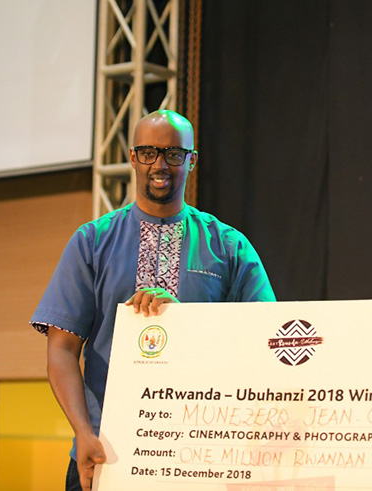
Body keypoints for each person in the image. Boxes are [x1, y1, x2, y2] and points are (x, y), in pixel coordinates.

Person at [30, 109, 276, 491]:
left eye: (174, 154)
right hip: (105, 453)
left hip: (199, 456)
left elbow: (266, 339)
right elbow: (61, 349)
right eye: (148, 152)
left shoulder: (228, 246)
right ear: (132, 157)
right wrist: (83, 433)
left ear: (191, 161)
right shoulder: (93, 242)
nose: (160, 164)